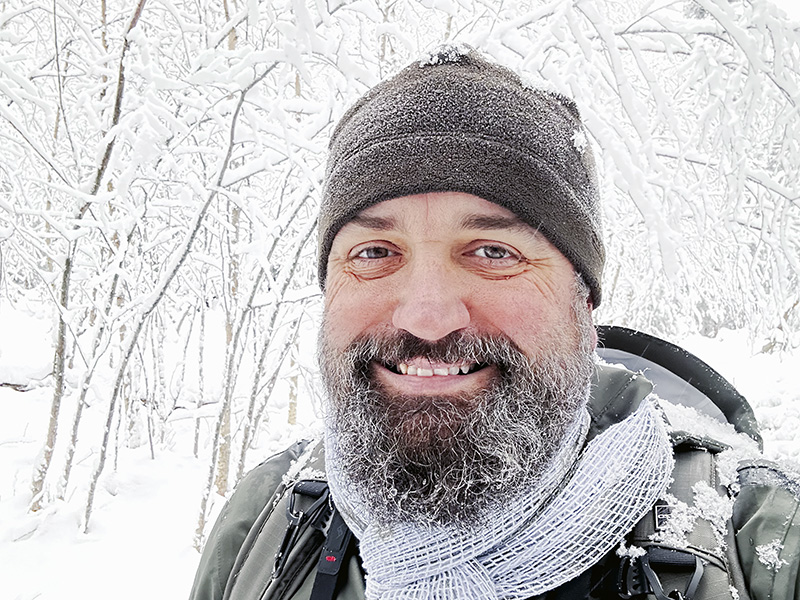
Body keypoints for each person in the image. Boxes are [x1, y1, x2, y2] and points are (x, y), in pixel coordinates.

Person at [190, 46, 800, 600]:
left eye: (491, 253)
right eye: (375, 253)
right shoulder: (266, 524)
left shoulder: (762, 541)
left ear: (583, 301)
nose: (427, 317)